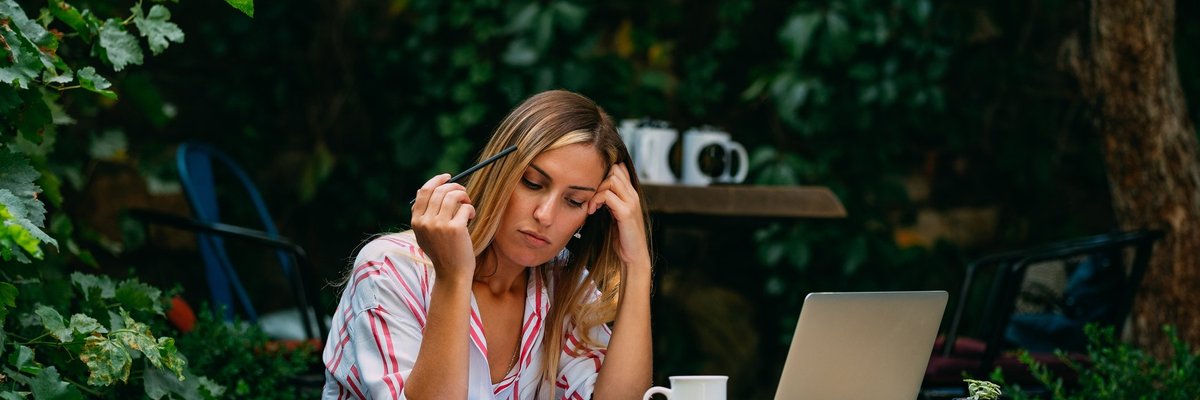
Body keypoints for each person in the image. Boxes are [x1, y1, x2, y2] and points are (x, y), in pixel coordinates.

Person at [322, 90, 654, 399]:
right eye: (532, 183)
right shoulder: (391, 271)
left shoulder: (564, 286)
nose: (545, 215)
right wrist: (454, 278)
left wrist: (637, 265)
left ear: (590, 213)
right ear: (500, 173)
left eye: (574, 200)